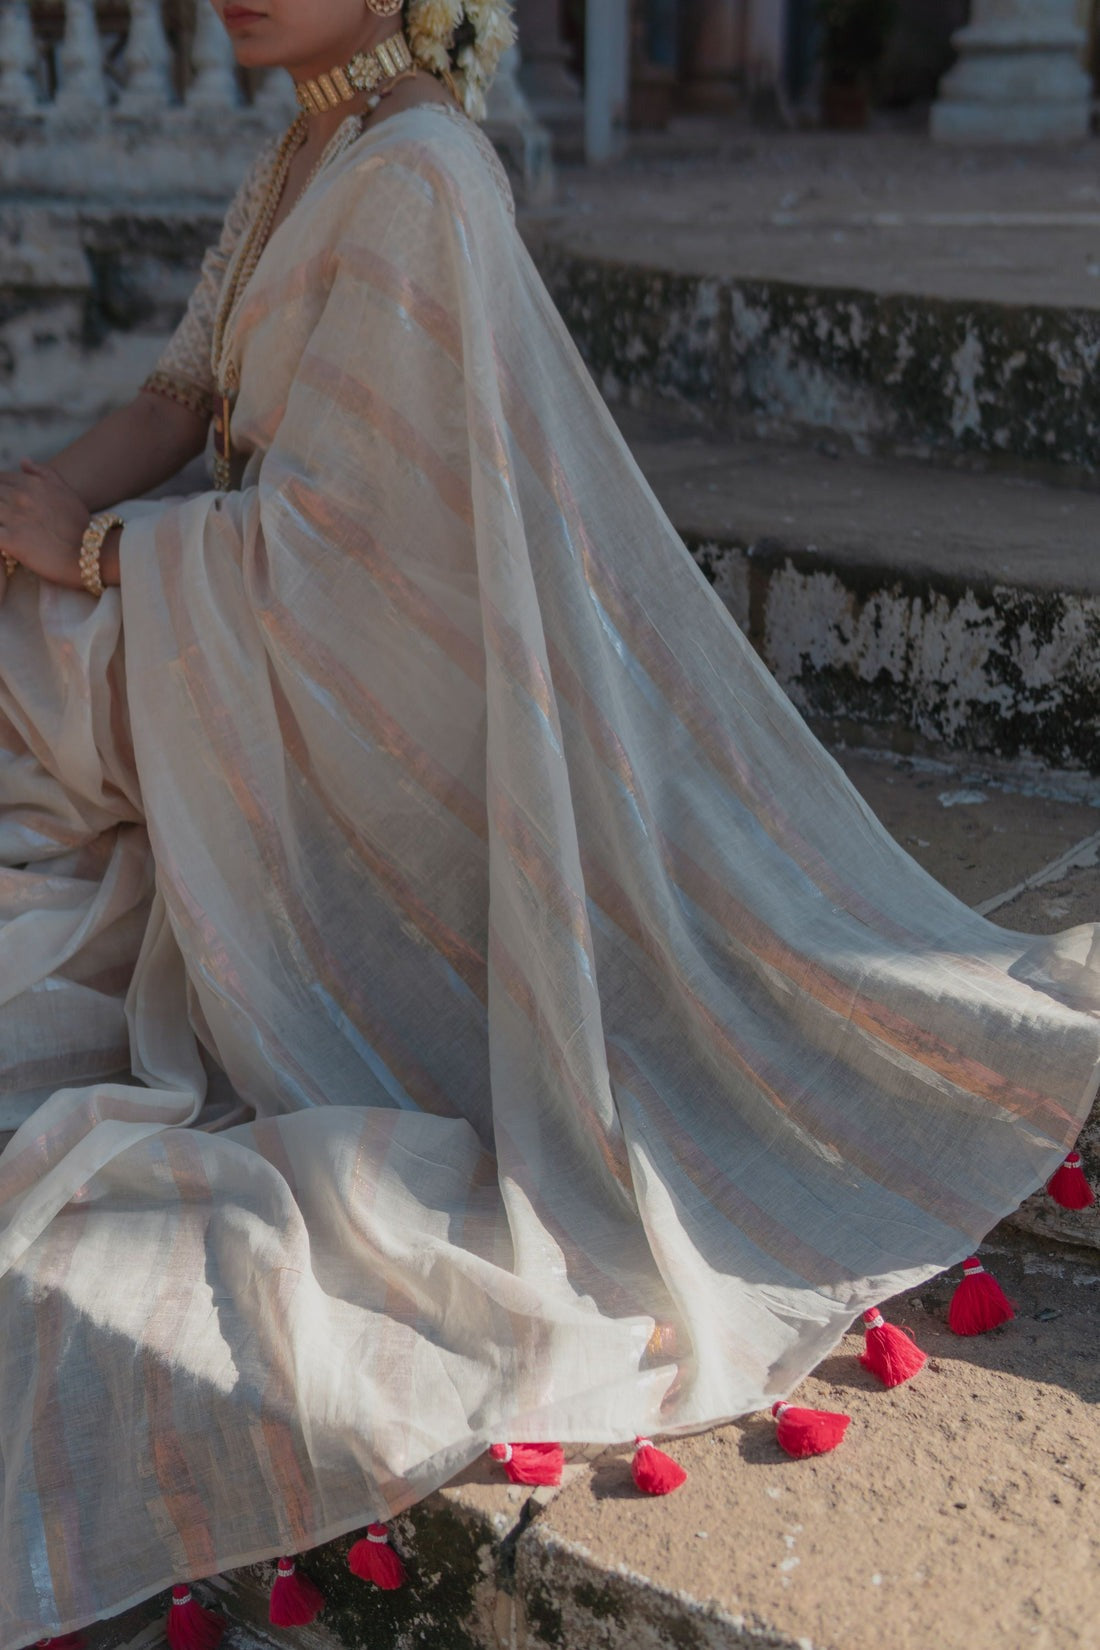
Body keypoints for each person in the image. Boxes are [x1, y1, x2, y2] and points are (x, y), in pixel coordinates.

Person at [1, 2, 1097, 1644]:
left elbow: (377, 561)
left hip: (383, 707)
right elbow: (180, 393)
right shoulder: (317, 142)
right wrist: (49, 507)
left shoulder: (423, 174)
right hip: (262, 646)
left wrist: (93, 571)